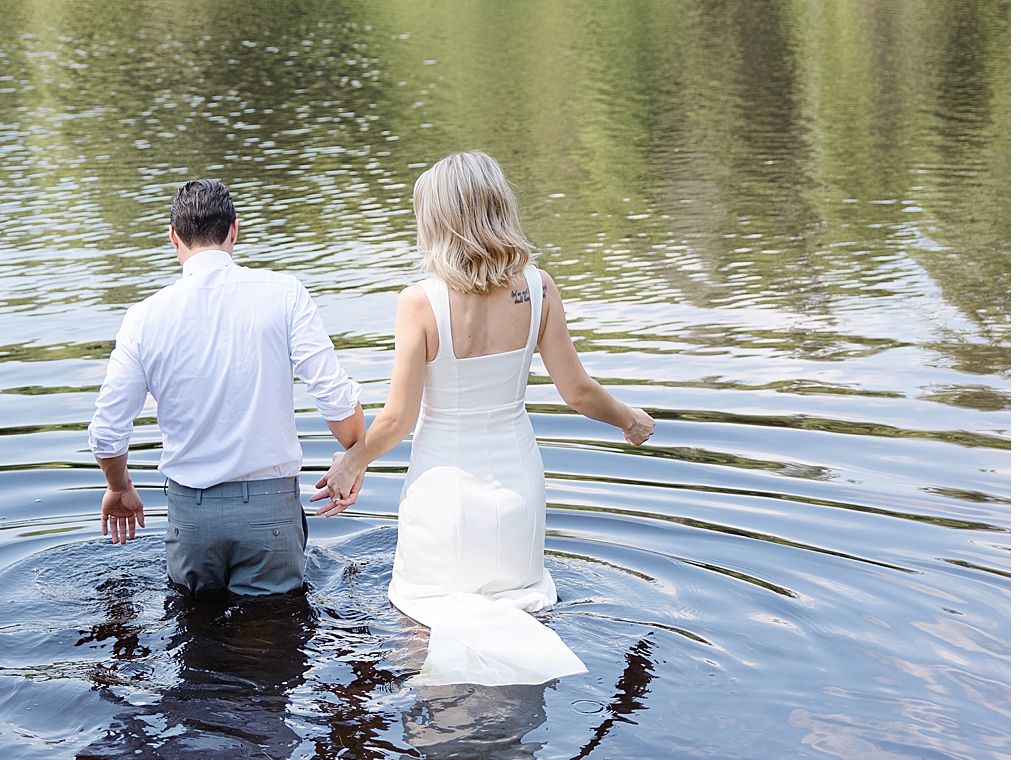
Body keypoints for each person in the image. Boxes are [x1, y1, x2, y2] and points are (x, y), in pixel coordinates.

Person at [313, 151, 655, 685]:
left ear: (439, 223)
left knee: (425, 627)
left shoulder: (419, 302)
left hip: (443, 496)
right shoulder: (539, 288)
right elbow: (580, 392)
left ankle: (440, 734)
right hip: (517, 488)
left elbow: (399, 418)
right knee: (520, 612)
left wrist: (351, 463)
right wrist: (628, 418)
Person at [88, 178, 365, 597]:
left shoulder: (143, 317)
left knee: (195, 641)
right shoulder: (285, 295)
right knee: (273, 644)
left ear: (173, 238)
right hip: (270, 516)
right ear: (234, 230)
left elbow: (108, 432)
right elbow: (335, 399)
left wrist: (119, 487)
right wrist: (355, 454)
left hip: (191, 521)